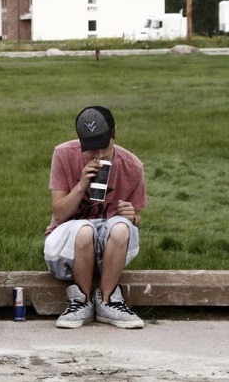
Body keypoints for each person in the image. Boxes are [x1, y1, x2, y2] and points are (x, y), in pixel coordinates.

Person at [45, 106, 147, 329]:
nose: (99, 156)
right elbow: (59, 214)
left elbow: (137, 218)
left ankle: (109, 300)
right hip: (67, 248)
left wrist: (132, 216)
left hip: (108, 249)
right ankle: (81, 300)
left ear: (114, 134)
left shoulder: (133, 166)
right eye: (91, 151)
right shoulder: (64, 154)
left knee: (121, 226)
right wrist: (81, 185)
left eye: (104, 148)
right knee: (84, 229)